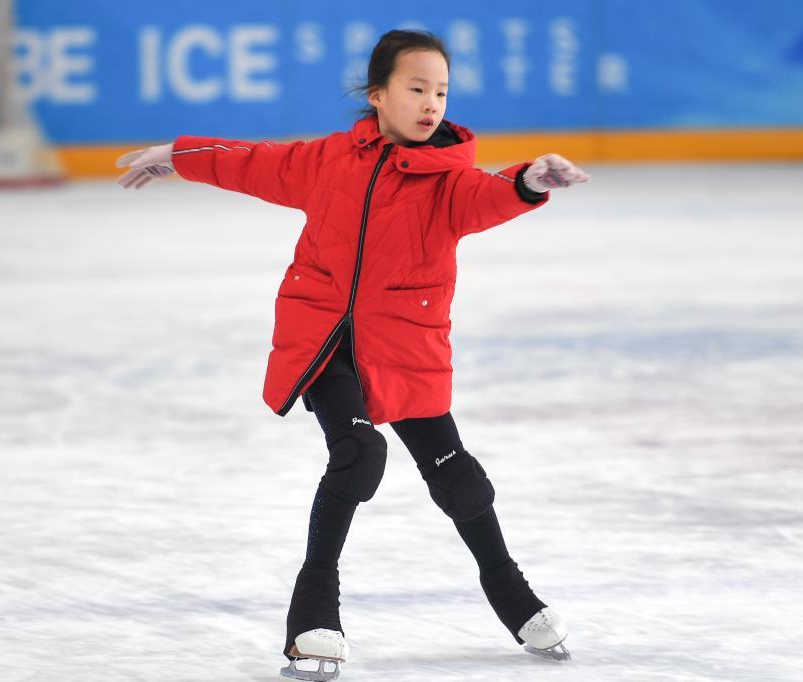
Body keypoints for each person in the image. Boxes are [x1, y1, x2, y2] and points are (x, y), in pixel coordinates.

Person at [117, 28, 589, 682]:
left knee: (457, 476)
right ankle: (313, 613)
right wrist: (181, 154)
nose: (431, 104)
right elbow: (253, 162)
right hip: (323, 338)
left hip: (405, 343)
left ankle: (511, 592)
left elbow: (488, 196)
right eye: (416, 89)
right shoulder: (330, 161)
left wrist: (528, 181)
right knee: (359, 452)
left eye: (441, 92)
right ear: (378, 95)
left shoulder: (449, 181)